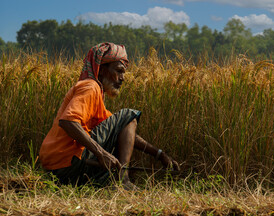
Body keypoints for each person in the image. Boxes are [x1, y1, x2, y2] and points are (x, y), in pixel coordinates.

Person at [39, 42, 180, 190]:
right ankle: (123, 180)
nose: (122, 78)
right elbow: (68, 122)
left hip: (58, 169)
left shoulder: (97, 95)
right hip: (66, 162)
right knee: (129, 114)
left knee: (125, 123)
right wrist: (101, 153)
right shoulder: (90, 87)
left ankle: (111, 180)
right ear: (101, 69)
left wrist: (160, 154)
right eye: (119, 71)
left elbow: (125, 132)